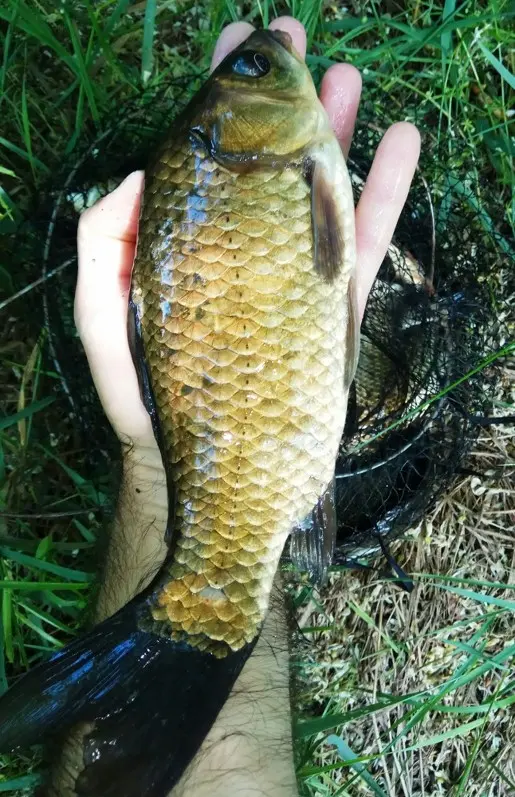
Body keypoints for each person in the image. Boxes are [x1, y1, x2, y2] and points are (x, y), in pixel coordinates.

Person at [69, 15, 420, 797]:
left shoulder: (266, 161)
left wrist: (146, 452)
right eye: (261, 72)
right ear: (232, 138)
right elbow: (332, 256)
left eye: (250, 69)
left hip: (258, 410)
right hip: (265, 412)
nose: (276, 62)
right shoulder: (279, 162)